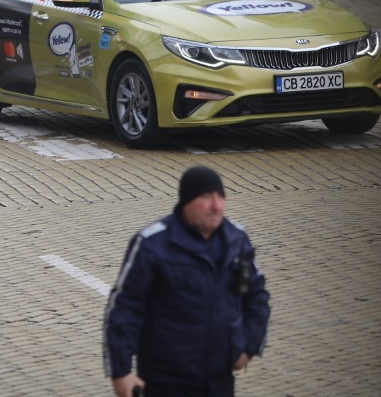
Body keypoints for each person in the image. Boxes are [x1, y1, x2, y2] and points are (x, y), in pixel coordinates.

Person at [104, 166, 270, 397]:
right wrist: (120, 372)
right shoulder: (152, 244)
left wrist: (249, 347)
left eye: (221, 197)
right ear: (187, 202)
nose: (216, 206)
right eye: (206, 197)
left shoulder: (237, 240)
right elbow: (124, 308)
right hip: (166, 382)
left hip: (219, 380)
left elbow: (257, 297)